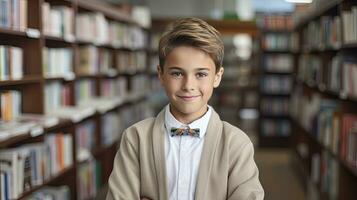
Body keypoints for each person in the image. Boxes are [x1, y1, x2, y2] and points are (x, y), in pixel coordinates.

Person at [106, 17, 264, 200]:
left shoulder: (237, 144)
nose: (189, 85)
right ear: (161, 75)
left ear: (217, 77)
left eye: (201, 74)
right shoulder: (135, 138)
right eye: (177, 73)